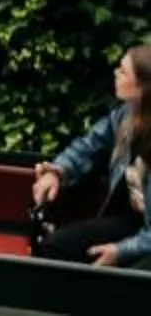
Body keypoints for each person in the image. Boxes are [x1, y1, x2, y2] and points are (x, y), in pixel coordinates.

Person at [31, 43, 151, 266]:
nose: (115, 73)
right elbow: (89, 146)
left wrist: (121, 251)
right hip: (133, 222)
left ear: (142, 87)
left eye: (123, 71)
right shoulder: (125, 116)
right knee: (57, 246)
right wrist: (57, 171)